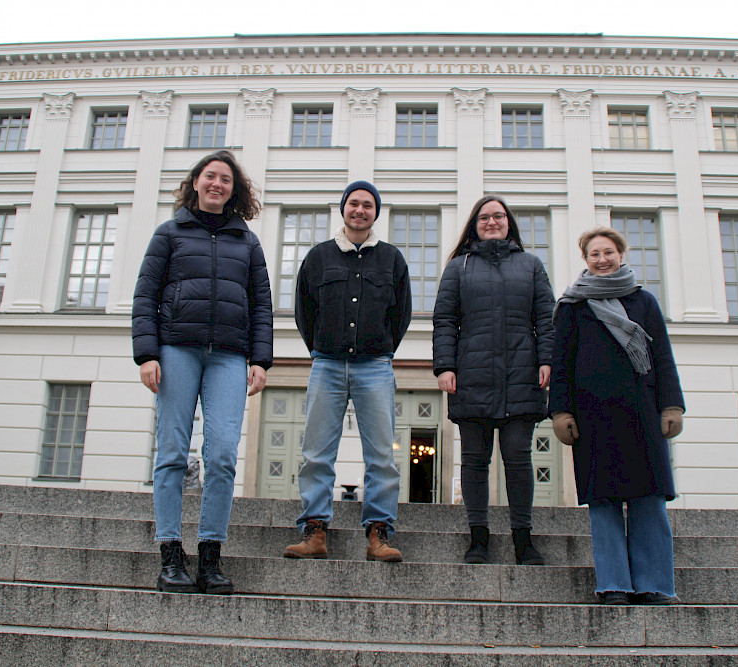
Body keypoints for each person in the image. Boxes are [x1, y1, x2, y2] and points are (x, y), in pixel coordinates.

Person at [132, 150, 273, 594]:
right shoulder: (169, 233)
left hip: (229, 357)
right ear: (195, 182)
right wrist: (146, 354)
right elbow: (145, 296)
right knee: (172, 453)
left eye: (225, 180)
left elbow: (262, 305)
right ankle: (170, 554)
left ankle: (210, 557)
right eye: (210, 176)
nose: (217, 184)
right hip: (176, 351)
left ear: (235, 190)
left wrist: (260, 359)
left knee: (223, 457)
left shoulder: (246, 242)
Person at [549, 226, 684, 605]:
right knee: (604, 504)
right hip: (593, 418)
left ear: (621, 255)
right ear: (586, 260)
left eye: (608, 252)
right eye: (594, 254)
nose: (602, 259)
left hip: (642, 413)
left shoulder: (645, 302)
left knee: (648, 499)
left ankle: (655, 584)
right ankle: (615, 585)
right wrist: (560, 411)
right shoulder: (573, 306)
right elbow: (561, 363)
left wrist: (672, 404)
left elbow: (663, 359)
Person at [284, 180, 411, 562]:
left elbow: (400, 315)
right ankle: (315, 530)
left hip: (375, 366)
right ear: (343, 209)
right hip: (327, 364)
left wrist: (380, 349)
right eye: (353, 204)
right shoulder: (319, 257)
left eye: (367, 205)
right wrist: (321, 348)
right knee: (317, 453)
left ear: (376, 212)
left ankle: (379, 533)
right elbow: (304, 311)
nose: (359, 210)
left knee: (381, 457)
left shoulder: (392, 259)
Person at [432, 195, 555, 565]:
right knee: (474, 460)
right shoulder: (459, 267)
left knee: (518, 457)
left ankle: (523, 539)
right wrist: (445, 366)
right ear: (474, 224)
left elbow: (546, 317)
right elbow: (444, 321)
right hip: (472, 374)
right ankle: (478, 538)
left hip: (521, 374)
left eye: (498, 216)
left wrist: (547, 359)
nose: (492, 222)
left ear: (508, 222)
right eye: (484, 217)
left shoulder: (531, 265)